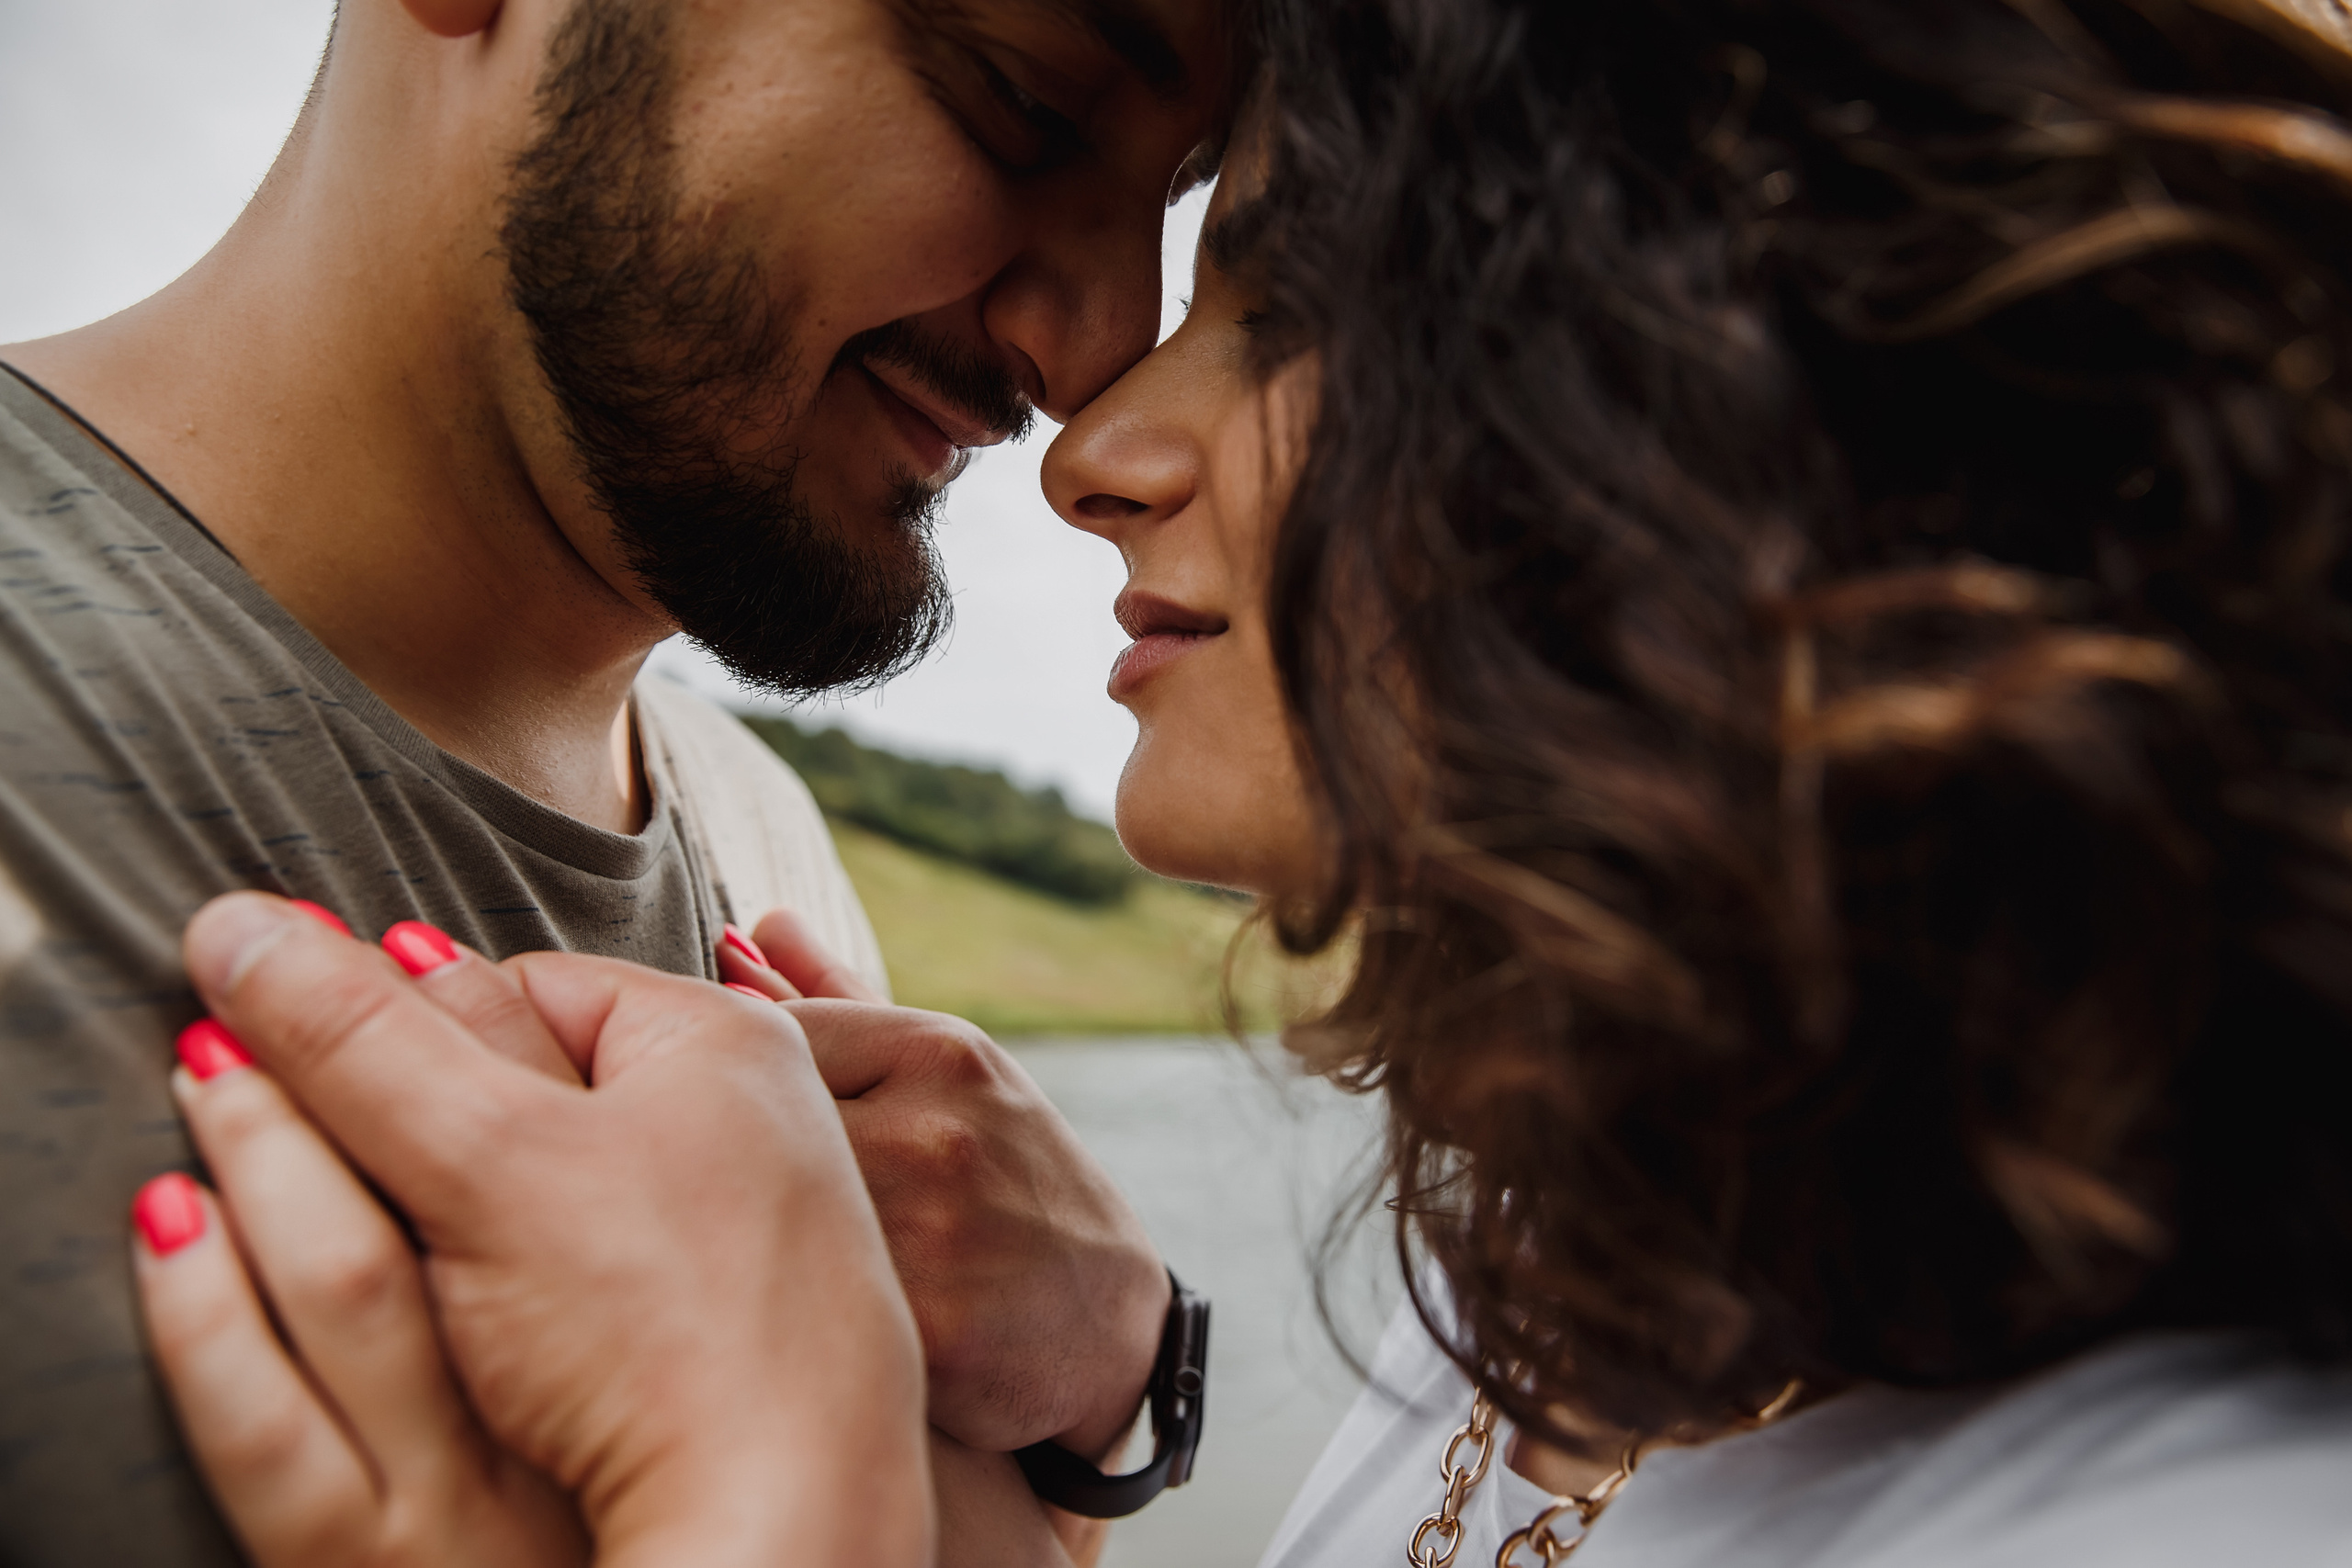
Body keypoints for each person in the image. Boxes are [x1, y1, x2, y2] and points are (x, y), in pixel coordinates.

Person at [132, 0, 2352, 1562]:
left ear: (1740, 420)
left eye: (1283, 300)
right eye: (1012, 94)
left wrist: (773, 1514)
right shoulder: (1544, 1307)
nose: (1089, 426)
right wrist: (1109, 1391)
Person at [0, 0, 1231, 1559]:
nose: (1098, 354)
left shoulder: (763, 837)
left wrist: (1114, 1388)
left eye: (1171, 202)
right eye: (1020, 103)